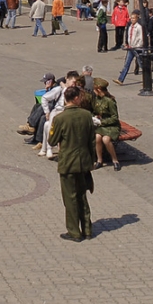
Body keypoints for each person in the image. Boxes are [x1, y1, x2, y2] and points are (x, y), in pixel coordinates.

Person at [49, 86, 97, 241]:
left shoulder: (60, 118)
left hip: (68, 163)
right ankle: (87, 230)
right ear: (76, 98)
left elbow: (52, 140)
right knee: (82, 196)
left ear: (66, 99)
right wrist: (92, 160)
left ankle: (74, 232)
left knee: (70, 198)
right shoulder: (86, 115)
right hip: (83, 162)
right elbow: (91, 141)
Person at [91, 78, 122, 170]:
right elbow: (94, 111)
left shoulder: (110, 101)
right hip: (101, 125)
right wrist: (95, 117)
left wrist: (102, 122)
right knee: (97, 137)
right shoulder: (96, 99)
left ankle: (115, 160)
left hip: (111, 126)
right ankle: (99, 160)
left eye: (94, 89)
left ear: (99, 89)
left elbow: (114, 117)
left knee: (106, 139)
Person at [116, 11, 145, 85]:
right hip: (131, 48)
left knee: (141, 63)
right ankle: (120, 79)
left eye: (133, 18)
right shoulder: (130, 27)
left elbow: (141, 38)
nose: (131, 19)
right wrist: (127, 44)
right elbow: (129, 36)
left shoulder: (139, 27)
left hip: (137, 48)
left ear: (137, 19)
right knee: (127, 64)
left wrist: (138, 46)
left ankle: (146, 79)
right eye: (131, 18)